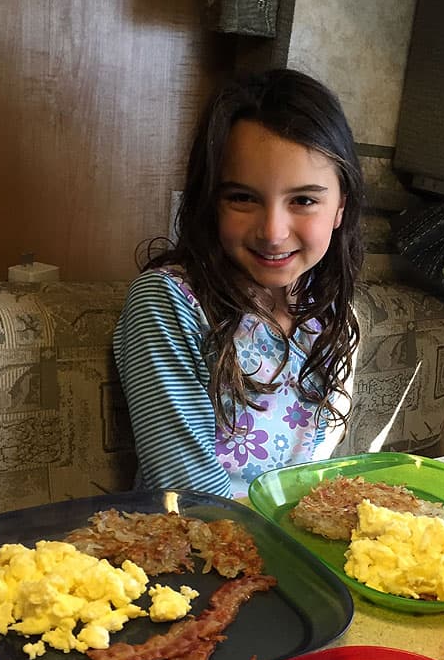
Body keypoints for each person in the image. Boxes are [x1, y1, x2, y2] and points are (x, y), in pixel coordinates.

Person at [114, 68, 364, 498]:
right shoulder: (168, 302)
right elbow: (187, 490)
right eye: (243, 198)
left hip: (294, 540)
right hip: (201, 546)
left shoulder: (332, 315)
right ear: (210, 200)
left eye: (303, 200)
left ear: (341, 206)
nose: (272, 231)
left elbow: (320, 472)